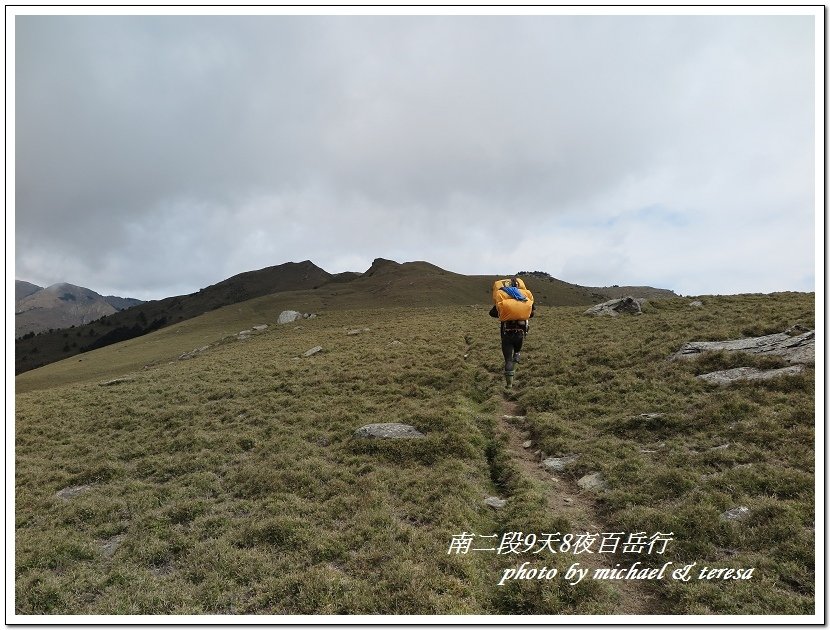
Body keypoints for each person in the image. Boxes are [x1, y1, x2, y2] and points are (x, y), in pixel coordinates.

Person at [489, 276, 535, 389]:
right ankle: (517, 356)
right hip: (520, 333)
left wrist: (504, 314)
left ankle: (509, 385)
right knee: (517, 352)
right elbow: (532, 313)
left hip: (506, 334)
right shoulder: (524, 295)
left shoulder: (502, 297)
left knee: (508, 360)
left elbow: (492, 313)